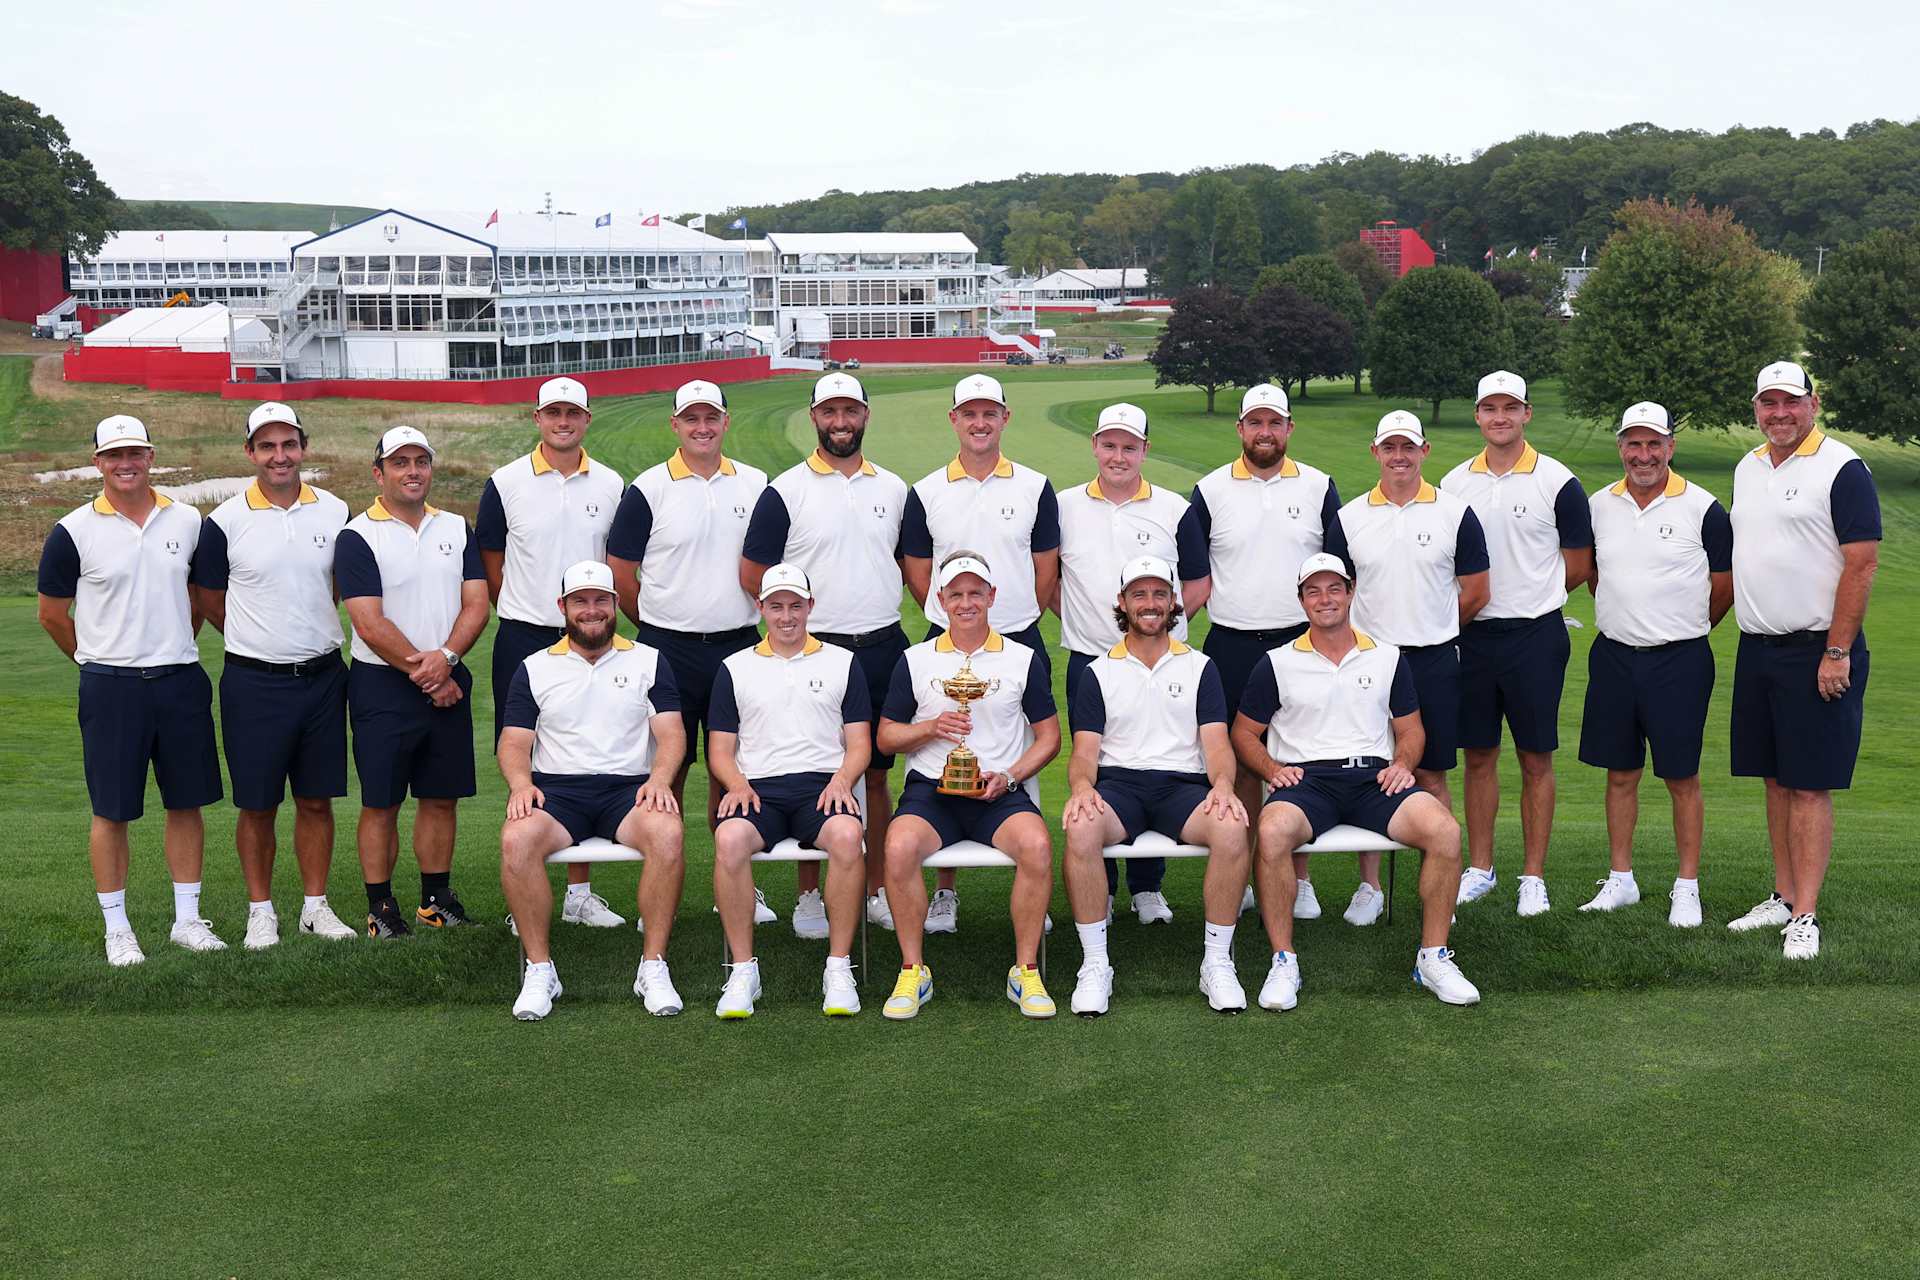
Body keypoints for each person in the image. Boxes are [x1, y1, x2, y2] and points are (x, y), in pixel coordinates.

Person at [1229, 554, 1480, 1010]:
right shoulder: (1276, 663)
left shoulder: (1386, 657)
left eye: (1334, 588)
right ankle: (1283, 960)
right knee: (1272, 830)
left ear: (1350, 592)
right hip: (1306, 781)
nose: (1324, 599)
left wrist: (1403, 763)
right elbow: (1244, 733)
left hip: (1373, 778)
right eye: (1313, 590)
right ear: (1302, 600)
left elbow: (1411, 730)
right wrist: (1271, 770)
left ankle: (1433, 957)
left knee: (1444, 830)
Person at [37, 415, 225, 965]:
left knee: (186, 803)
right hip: (111, 687)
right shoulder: (73, 530)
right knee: (111, 810)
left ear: (150, 456)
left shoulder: (187, 520)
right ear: (98, 461)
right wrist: (96, 659)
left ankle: (186, 920)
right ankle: (117, 928)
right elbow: (52, 615)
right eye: (114, 455)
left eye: (135, 453)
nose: (126, 464)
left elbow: (198, 598)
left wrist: (173, 643)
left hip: (180, 680)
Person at [741, 372, 907, 936]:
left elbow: (907, 566)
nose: (841, 422)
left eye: (850, 411)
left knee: (876, 778)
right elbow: (754, 574)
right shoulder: (785, 490)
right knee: (813, 773)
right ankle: (809, 894)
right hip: (814, 652)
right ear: (814, 416)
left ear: (866, 416)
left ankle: (877, 888)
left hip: (881, 646)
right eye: (830, 412)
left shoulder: (893, 488)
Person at [1726, 361, 1879, 959]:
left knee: (1810, 785)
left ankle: (1806, 915)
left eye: (1791, 401)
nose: (1780, 413)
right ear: (1756, 409)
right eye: (1769, 402)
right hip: (1758, 648)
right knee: (1775, 778)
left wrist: (1837, 651)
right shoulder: (1748, 467)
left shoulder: (1842, 467)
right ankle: (1784, 894)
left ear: (1813, 403)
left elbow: (1861, 563)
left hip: (1819, 650)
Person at [899, 373, 1061, 936]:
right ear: (954, 420)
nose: (980, 422)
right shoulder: (926, 491)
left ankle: (1032, 881)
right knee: (949, 748)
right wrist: (959, 618)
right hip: (950, 638)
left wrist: (1014, 620)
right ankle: (944, 890)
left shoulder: (1035, 486)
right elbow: (918, 571)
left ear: (1004, 418)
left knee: (1022, 750)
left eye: (990, 412)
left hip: (1018, 636)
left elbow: (1046, 567)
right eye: (969, 413)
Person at [195, 401, 357, 947]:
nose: (279, 455)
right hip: (253, 682)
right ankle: (260, 911)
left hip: (323, 677)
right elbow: (210, 598)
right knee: (258, 804)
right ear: (250, 452)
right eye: (267, 446)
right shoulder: (224, 521)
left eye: (289, 444)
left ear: (303, 448)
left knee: (316, 799)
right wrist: (257, 636)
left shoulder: (335, 510)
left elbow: (338, 586)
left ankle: (315, 906)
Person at [1319, 410, 1489, 926]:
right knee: (1370, 771)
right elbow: (1334, 594)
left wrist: (1432, 626)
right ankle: (1370, 887)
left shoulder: (1454, 513)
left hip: (1432, 660)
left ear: (1424, 451)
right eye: (1389, 447)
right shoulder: (1350, 518)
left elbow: (1477, 591)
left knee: (1431, 773)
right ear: (1375, 453)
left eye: (1408, 447)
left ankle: (1439, 888)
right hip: (1369, 664)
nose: (1399, 456)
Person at [497, 562, 688, 1019]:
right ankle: (540, 970)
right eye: (580, 601)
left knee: (668, 833)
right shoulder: (535, 667)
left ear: (616, 604)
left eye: (601, 600)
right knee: (516, 838)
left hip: (628, 792)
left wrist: (659, 779)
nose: (591, 610)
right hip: (558, 794)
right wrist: (521, 785)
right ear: (562, 607)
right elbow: (514, 741)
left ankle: (653, 966)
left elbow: (672, 733)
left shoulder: (648, 660)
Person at [1061, 556, 1249, 1016]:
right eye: (1140, 594)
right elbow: (1084, 752)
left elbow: (1217, 744)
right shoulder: (1098, 671)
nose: (1150, 603)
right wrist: (1082, 788)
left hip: (1181, 787)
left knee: (1231, 828)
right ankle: (1095, 964)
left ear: (1173, 602)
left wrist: (1224, 784)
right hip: (1119, 786)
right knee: (1082, 828)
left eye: (1160, 594)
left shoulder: (1200, 667)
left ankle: (1217, 962)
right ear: (1123, 602)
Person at [877, 552, 1060, 1021]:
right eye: (955, 594)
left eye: (975, 593)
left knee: (1038, 846)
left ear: (991, 596)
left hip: (998, 791)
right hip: (931, 791)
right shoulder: (915, 659)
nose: (966, 603)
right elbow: (886, 736)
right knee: (898, 847)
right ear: (940, 600)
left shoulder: (1022, 659)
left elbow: (1049, 737)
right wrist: (930, 728)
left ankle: (1026, 970)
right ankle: (913, 969)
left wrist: (1011, 777)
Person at [1178, 382, 1339, 915]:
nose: (1264, 432)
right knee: (1243, 765)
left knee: (1298, 759)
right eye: (1255, 422)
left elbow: (1337, 573)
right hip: (1232, 642)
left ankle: (1300, 877)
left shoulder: (1318, 486)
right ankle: (1244, 874)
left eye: (1274, 422)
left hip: (1301, 644)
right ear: (1240, 429)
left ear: (1289, 427)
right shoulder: (1210, 490)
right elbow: (1196, 575)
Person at [476, 376, 628, 929]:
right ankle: (528, 889)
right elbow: (491, 561)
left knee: (583, 756)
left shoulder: (610, 483)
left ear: (587, 419)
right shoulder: (505, 482)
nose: (563, 422)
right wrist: (523, 608)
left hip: (589, 636)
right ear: (536, 418)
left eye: (573, 413)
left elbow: (616, 559)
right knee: (524, 756)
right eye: (553, 413)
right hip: (524, 635)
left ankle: (578, 893)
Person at [1440, 371, 1593, 917]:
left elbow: (1579, 564)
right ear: (1478, 415)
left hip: (1535, 636)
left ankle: (1533, 876)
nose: (1500, 418)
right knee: (1478, 755)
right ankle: (1480, 867)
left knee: (1535, 757)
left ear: (1527, 413)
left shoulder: (1557, 481)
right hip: (1473, 635)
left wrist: (1535, 595)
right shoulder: (1455, 482)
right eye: (1490, 408)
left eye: (1510, 408)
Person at [607, 380, 770, 893]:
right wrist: (656, 624)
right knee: (667, 772)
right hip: (667, 650)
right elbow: (620, 572)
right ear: (674, 424)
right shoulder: (649, 488)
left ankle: (733, 893)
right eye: (692, 419)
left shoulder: (755, 483)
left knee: (733, 771)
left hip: (738, 646)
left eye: (711, 418)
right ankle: (665, 894)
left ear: (726, 422)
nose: (703, 428)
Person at [1578, 402, 1732, 927]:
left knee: (1681, 776)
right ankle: (1621, 879)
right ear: (1621, 447)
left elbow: (1723, 588)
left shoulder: (1703, 508)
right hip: (1614, 656)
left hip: (1680, 661)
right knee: (1620, 772)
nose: (1643, 455)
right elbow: (1594, 574)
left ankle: (1686, 887)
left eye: (1653, 444)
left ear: (1670, 446)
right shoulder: (1599, 505)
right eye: (1633, 444)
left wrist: (1681, 627)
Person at [334, 426, 490, 938]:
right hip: (383, 684)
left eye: (421, 462)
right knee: (382, 802)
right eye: (400, 463)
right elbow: (368, 622)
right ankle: (381, 908)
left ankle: (435, 900)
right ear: (378, 473)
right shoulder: (358, 535)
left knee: (441, 796)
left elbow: (476, 604)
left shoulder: (456, 527)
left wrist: (447, 659)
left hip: (447, 673)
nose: (412, 471)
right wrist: (431, 675)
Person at [707, 564, 872, 1018]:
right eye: (776, 606)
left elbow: (860, 744)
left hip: (823, 786)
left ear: (810, 606)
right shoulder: (734, 668)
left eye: (795, 606)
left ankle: (838, 967)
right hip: (757, 789)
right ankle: (743, 970)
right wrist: (736, 783)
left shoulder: (843, 662)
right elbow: (720, 750)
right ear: (760, 608)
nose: (786, 616)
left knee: (847, 836)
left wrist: (842, 780)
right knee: (729, 838)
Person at [1054, 402, 1192, 925]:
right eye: (1109, 445)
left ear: (1144, 450)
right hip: (1089, 659)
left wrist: (1154, 628)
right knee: (1099, 768)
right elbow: (1048, 580)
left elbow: (1197, 581)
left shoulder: (1174, 508)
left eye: (1129, 447)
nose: (1118, 456)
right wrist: (1089, 624)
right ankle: (1104, 887)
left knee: (1154, 761)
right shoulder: (1064, 506)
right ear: (1094, 446)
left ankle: (1148, 886)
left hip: (1160, 663)